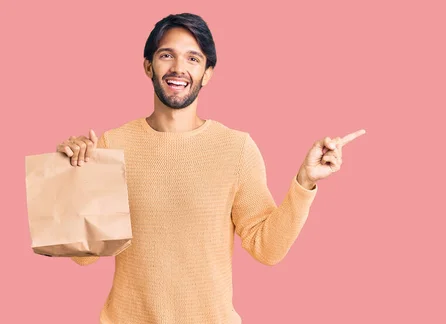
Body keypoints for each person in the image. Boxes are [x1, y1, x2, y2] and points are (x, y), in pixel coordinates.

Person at [55, 13, 365, 324]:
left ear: (207, 73)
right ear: (148, 65)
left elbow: (267, 249)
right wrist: (74, 175)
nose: (179, 68)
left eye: (193, 58)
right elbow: (84, 257)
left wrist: (305, 182)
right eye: (167, 55)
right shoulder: (113, 144)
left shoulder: (237, 148)